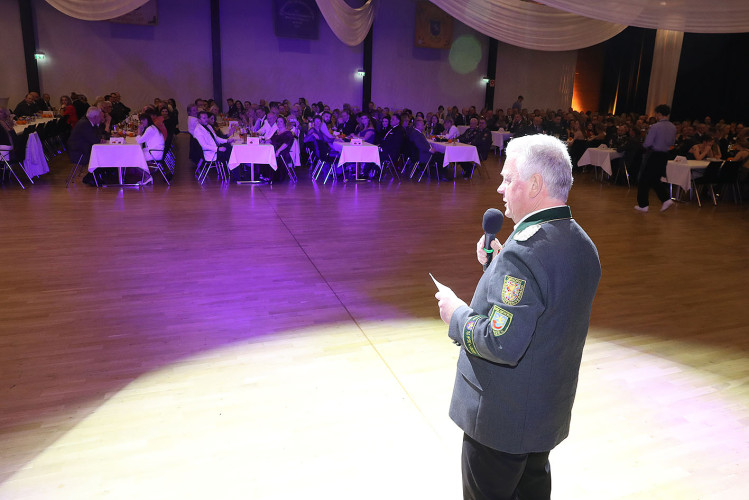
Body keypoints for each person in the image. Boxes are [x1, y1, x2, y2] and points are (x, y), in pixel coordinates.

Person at [435, 134, 601, 500]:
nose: (500, 188)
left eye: (509, 179)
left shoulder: (525, 253)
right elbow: (543, 311)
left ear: (536, 184)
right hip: (543, 411)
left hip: (501, 419)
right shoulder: (582, 244)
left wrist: (456, 313)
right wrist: (497, 266)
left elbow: (501, 341)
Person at [635, 104, 677, 213]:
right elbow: (672, 143)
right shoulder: (673, 127)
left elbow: (647, 143)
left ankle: (643, 205)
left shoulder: (655, 127)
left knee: (644, 179)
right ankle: (666, 199)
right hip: (665, 155)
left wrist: (643, 147)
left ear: (658, 113)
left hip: (654, 154)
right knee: (654, 179)